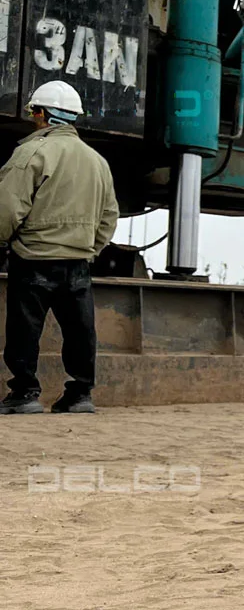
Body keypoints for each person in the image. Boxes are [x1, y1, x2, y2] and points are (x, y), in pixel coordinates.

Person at [0, 81, 118, 415]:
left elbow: (7, 209)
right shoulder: (97, 161)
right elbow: (109, 216)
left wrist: (4, 241)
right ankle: (79, 394)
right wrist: (89, 248)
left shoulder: (31, 153)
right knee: (80, 330)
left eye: (33, 112)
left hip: (33, 257)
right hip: (77, 262)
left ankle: (25, 393)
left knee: (24, 329)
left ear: (42, 114)